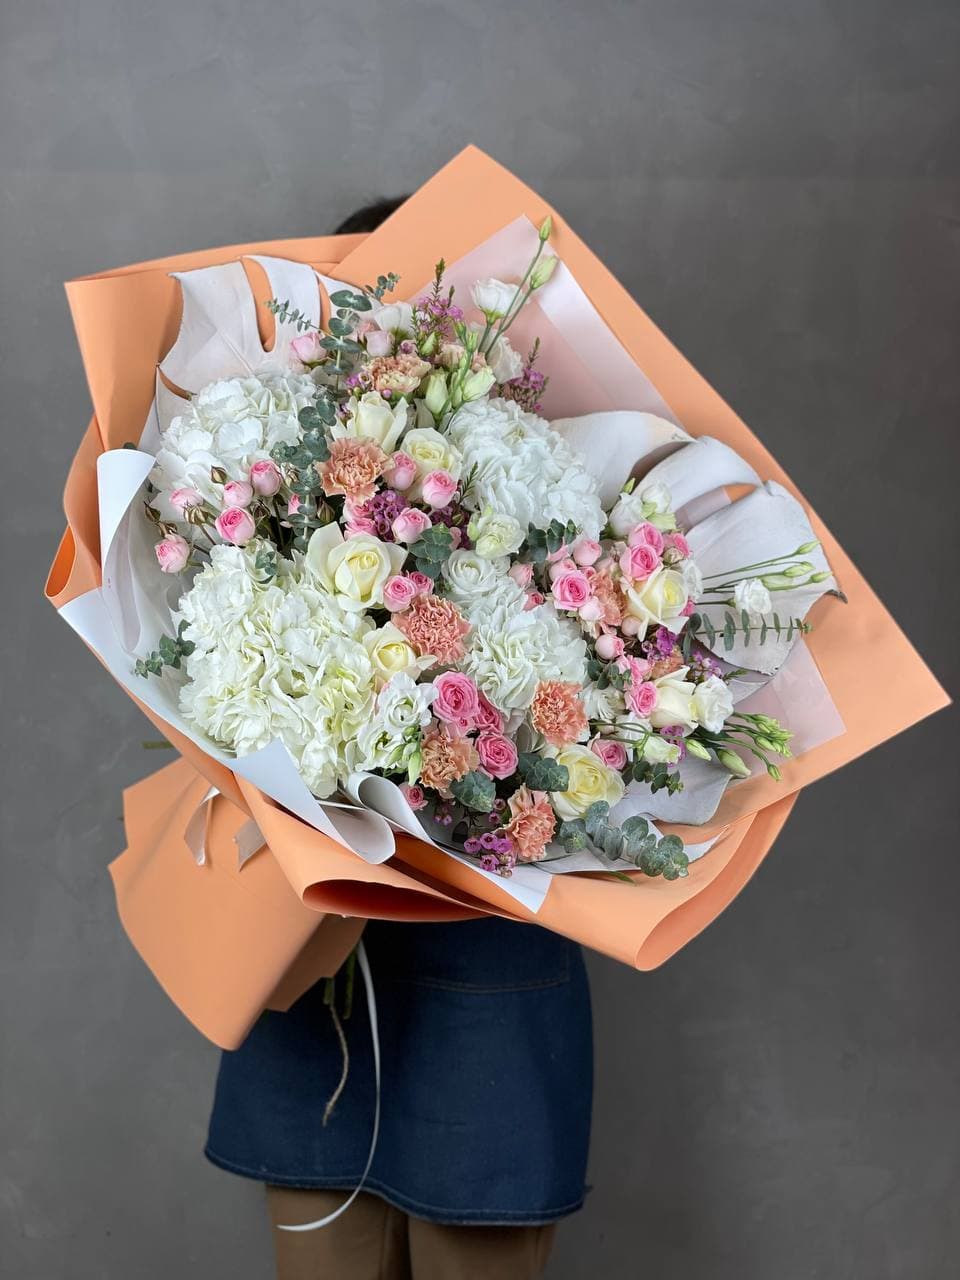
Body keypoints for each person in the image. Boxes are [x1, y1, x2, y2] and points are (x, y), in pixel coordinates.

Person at [204, 198, 593, 1280]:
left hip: (485, 963)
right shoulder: (283, 480)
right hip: (313, 946)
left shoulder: (558, 509)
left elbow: (594, 715)